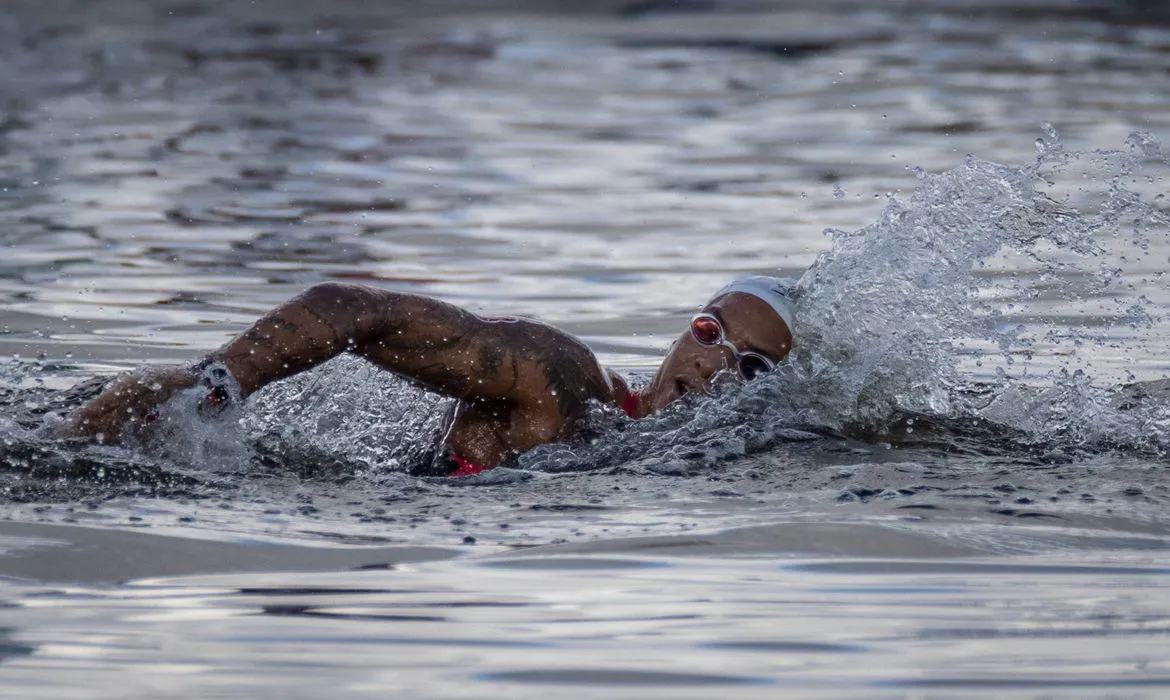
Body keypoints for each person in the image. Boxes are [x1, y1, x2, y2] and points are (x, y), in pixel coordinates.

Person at [66, 276, 796, 476]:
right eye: (711, 332)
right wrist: (215, 391)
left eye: (753, 366)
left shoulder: (677, 463)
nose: (715, 366)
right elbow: (351, 306)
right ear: (683, 330)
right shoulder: (564, 378)